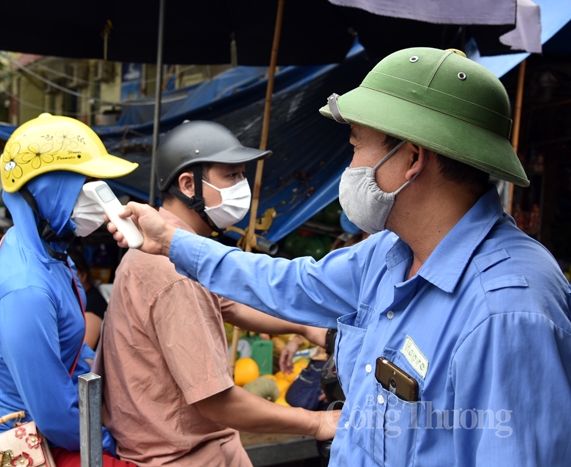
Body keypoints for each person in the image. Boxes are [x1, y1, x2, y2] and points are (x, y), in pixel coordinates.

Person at [106, 48, 571, 466]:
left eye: (355, 147)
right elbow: (289, 283)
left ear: (410, 159)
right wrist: (173, 242)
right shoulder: (389, 253)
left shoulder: (508, 312)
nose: (350, 168)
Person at [101, 120, 340, 467]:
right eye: (231, 176)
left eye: (242, 175)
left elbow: (233, 304)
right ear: (188, 184)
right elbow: (216, 401)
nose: (241, 186)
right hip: (186, 457)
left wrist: (303, 328)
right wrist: (317, 422)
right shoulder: (172, 273)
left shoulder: (176, 253)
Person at [0, 113, 138, 466]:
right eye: (88, 184)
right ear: (48, 191)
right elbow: (54, 414)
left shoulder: (45, 249)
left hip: (55, 425)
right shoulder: (26, 291)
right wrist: (118, 443)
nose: (100, 198)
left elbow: (71, 353)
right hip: (31, 445)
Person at [68, 248, 108, 349]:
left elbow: (84, 348)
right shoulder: (77, 298)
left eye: (69, 276)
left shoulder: (92, 305)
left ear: (83, 276)